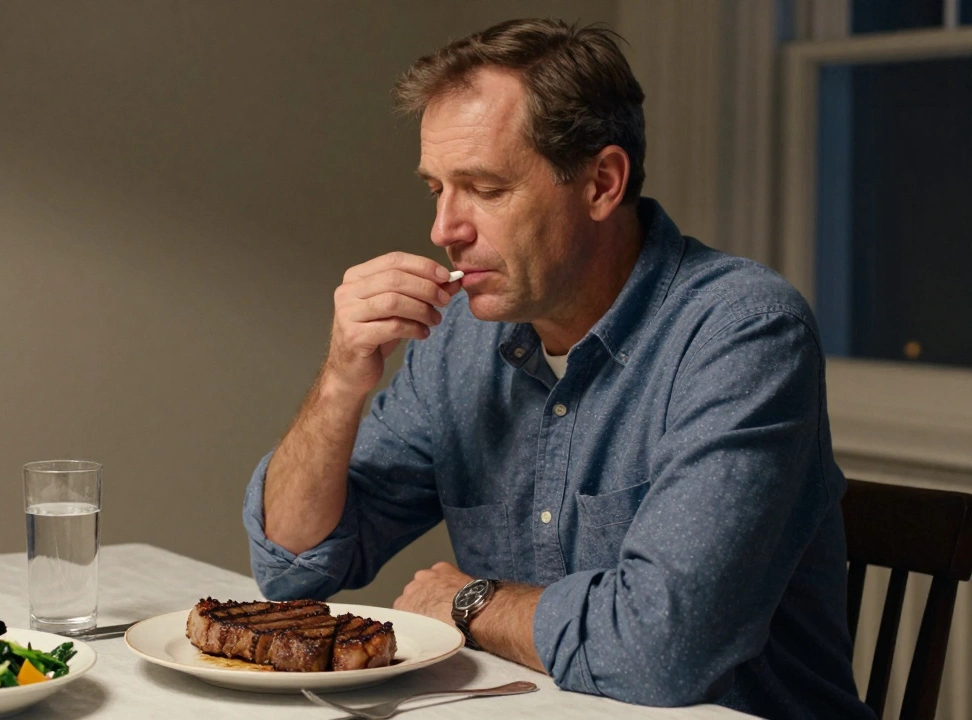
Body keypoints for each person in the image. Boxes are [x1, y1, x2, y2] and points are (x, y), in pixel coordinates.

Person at [242, 18, 874, 720]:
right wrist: (340, 379)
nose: (444, 229)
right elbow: (294, 566)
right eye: (436, 189)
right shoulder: (460, 341)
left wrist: (468, 599)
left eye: (483, 188)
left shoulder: (743, 332)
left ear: (602, 183)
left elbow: (663, 650)